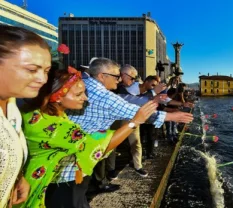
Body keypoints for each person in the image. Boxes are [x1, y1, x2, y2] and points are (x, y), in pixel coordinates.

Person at [20, 66, 158, 208]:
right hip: (51, 186)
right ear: (58, 96)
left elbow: (87, 137)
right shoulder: (56, 128)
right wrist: (134, 122)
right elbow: (96, 148)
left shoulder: (40, 113)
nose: (85, 98)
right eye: (79, 94)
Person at [66, 58, 193, 187]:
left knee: (129, 143)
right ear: (102, 76)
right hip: (75, 163)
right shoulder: (105, 95)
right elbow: (133, 107)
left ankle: (117, 172)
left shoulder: (83, 82)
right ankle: (107, 174)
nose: (119, 79)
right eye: (116, 76)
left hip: (74, 150)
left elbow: (134, 100)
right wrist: (171, 116)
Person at [0, 25, 51, 207]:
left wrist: (16, 176)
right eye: (31, 70)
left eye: (46, 71)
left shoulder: (12, 106)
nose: (42, 79)